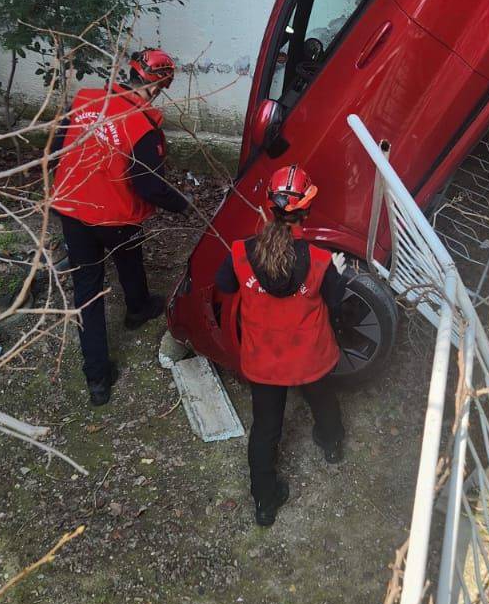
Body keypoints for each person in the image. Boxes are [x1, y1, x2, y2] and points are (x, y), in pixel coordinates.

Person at [51, 49, 192, 405]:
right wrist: (182, 205)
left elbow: (56, 148)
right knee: (128, 255)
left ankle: (97, 379)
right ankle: (138, 308)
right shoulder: (144, 127)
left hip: (72, 209)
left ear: (130, 74)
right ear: (159, 86)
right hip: (114, 217)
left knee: (88, 292)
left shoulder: (84, 101)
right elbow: (148, 185)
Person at [215, 164, 347, 527]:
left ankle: (264, 502)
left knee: (265, 428)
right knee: (323, 400)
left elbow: (225, 286)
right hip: (309, 357)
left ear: (269, 206)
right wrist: (337, 270)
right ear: (307, 209)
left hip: (264, 361)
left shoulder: (241, 253)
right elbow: (336, 300)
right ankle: (331, 445)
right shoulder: (320, 260)